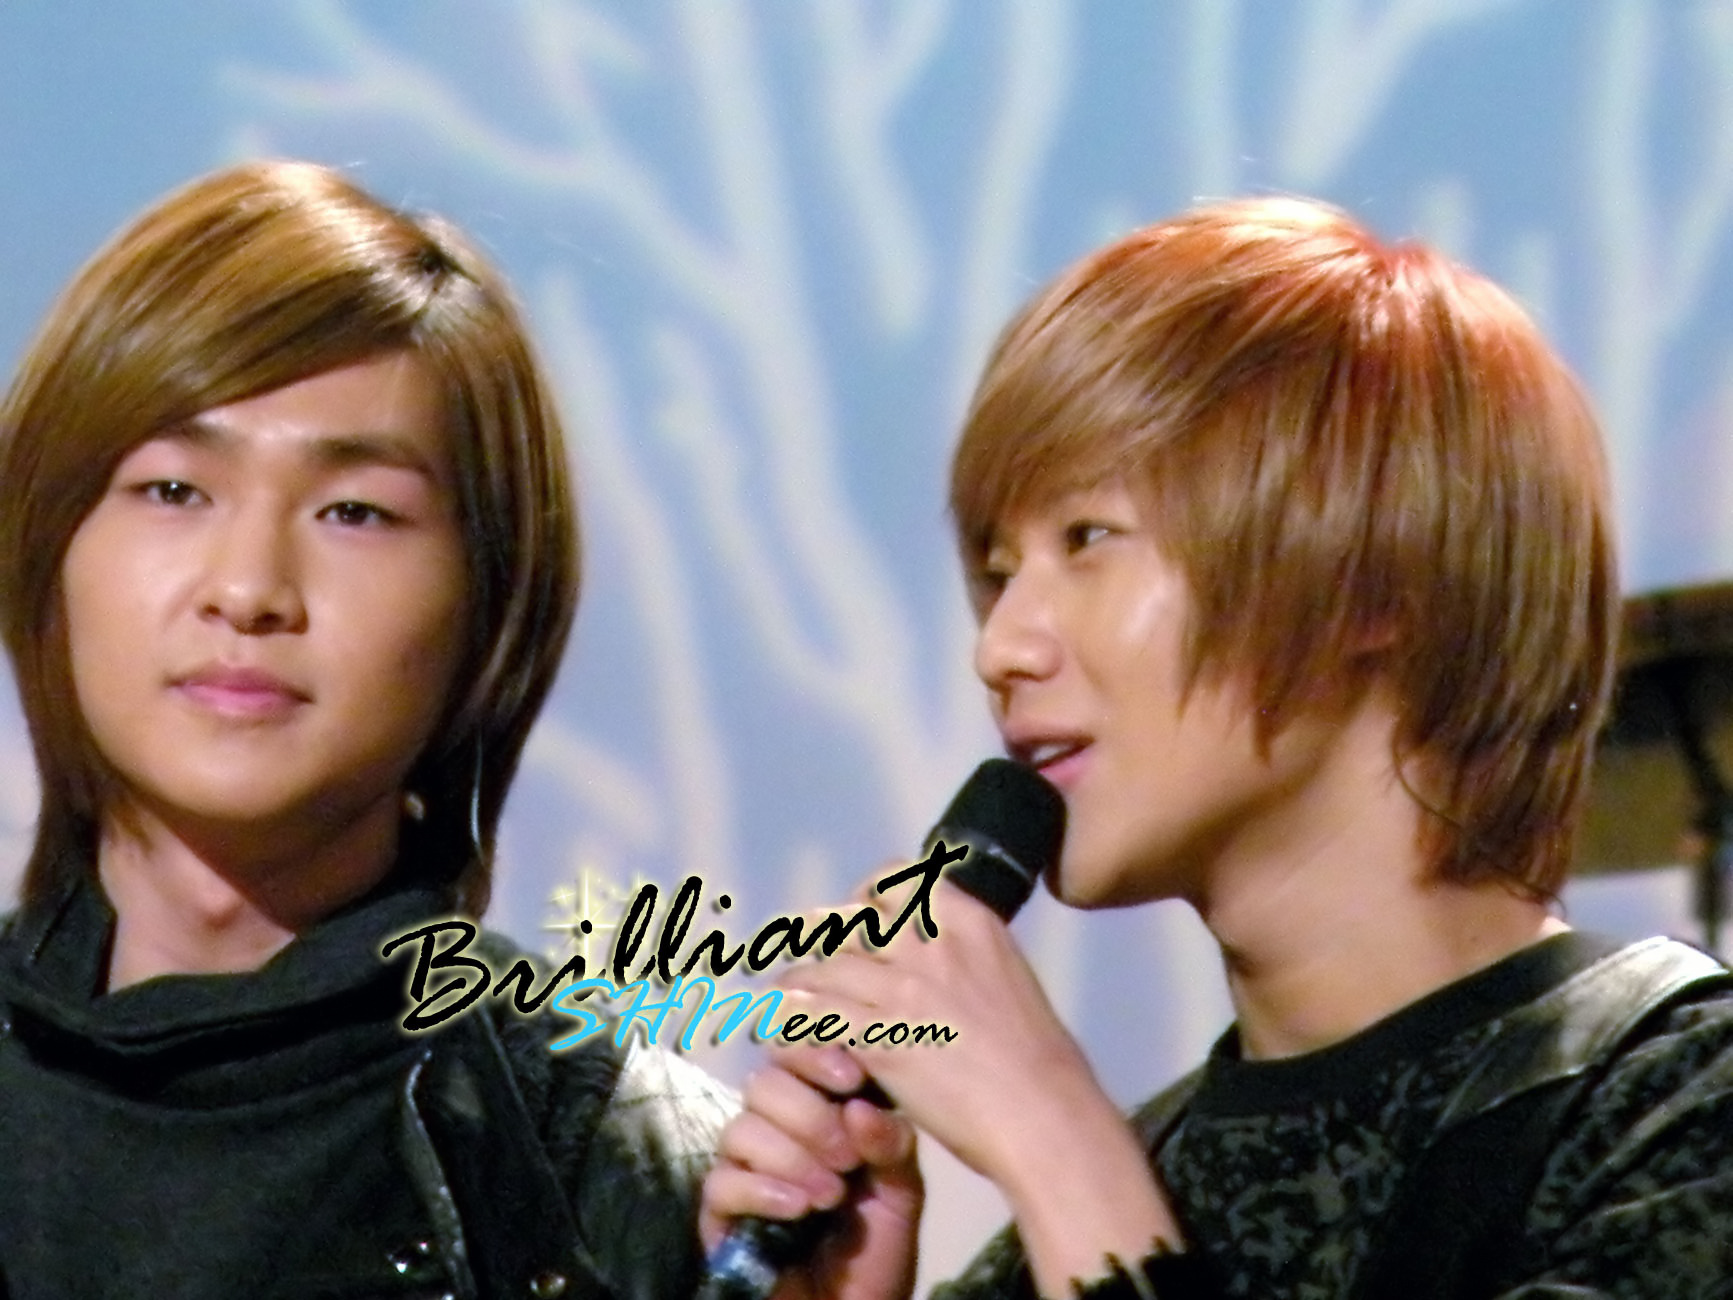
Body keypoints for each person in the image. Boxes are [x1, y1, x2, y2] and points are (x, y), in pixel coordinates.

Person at [698, 197, 1733, 1298]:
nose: (1000, 647)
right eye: (999, 574)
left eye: (1087, 538)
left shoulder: (1675, 1107)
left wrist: (1051, 1137)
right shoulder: (1106, 1206)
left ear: (1370, 576)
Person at [0, 160, 732, 1300]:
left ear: (487, 605)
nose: (248, 590)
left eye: (354, 512)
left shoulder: (610, 1144)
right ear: (50, 549)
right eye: (174, 490)